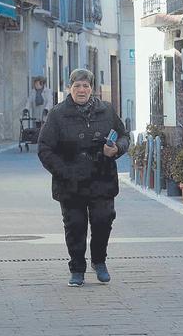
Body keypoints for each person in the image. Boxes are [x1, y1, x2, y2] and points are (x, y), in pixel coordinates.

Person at [37, 68, 129, 287]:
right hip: (71, 182)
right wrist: (65, 172)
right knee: (75, 225)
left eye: (86, 86)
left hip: (102, 178)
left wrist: (116, 149)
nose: (81, 90)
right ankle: (77, 268)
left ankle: (99, 261)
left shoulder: (106, 110)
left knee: (102, 221)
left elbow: (124, 135)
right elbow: (44, 149)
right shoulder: (58, 114)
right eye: (77, 86)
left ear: (92, 89)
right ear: (70, 88)